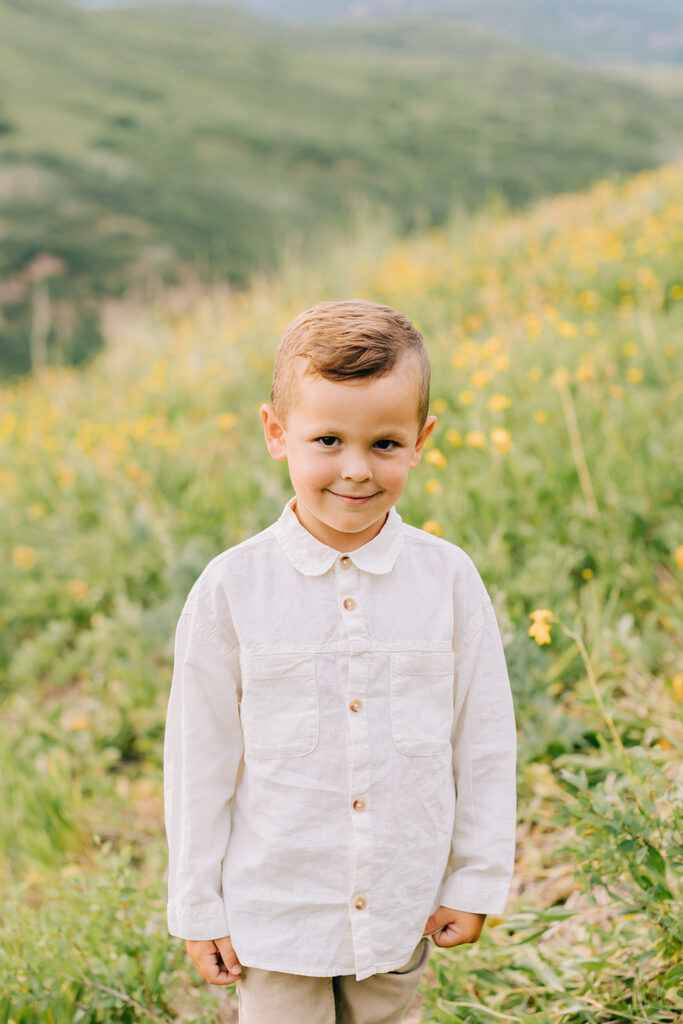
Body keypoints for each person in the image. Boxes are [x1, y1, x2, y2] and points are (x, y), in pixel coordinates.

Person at [163, 299, 517, 1024]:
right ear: (275, 433)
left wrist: (474, 881)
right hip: (276, 913)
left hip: (399, 903)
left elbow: (481, 743)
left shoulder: (447, 581)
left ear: (420, 441)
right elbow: (198, 762)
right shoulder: (232, 589)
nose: (355, 470)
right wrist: (198, 905)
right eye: (326, 439)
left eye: (383, 444)